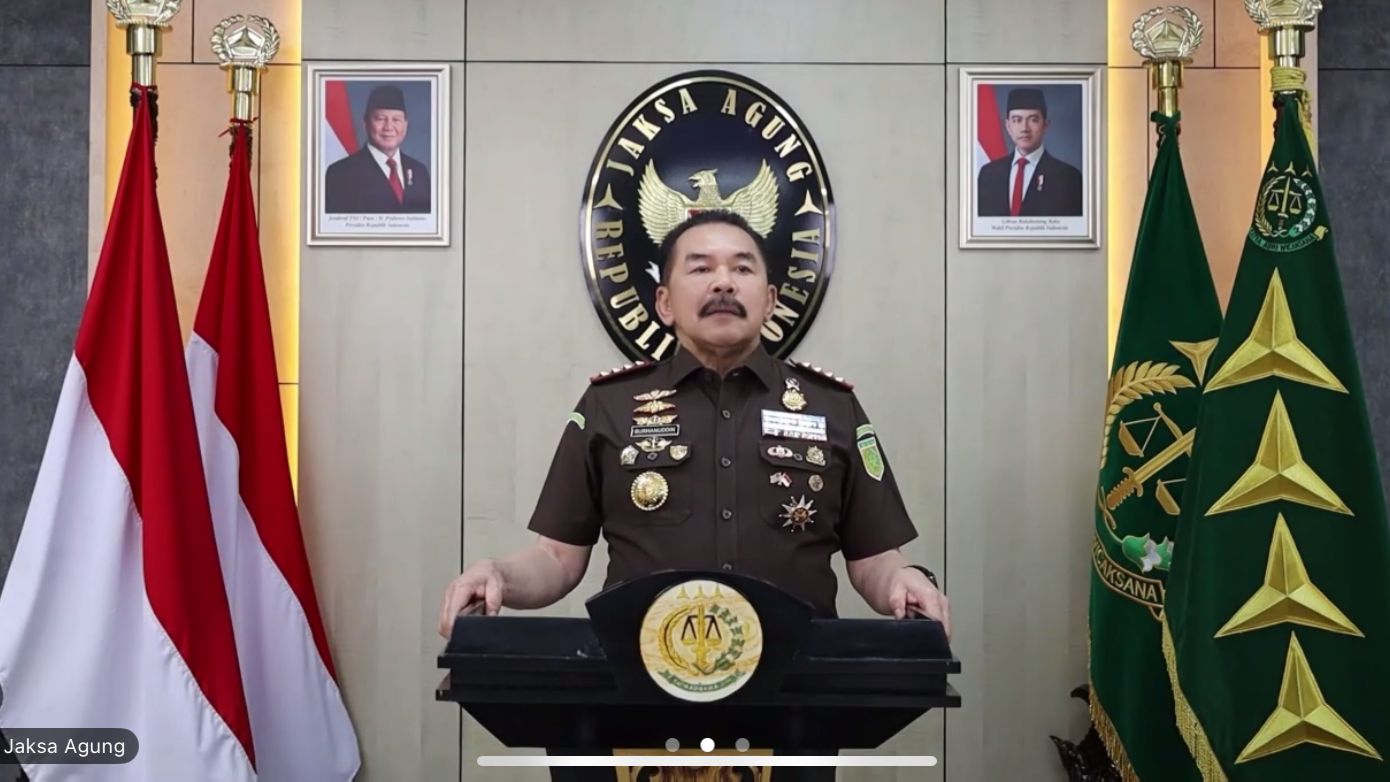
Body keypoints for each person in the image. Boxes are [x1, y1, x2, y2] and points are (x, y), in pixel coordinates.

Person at [439, 210, 949, 781]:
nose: (723, 282)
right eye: (701, 268)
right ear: (664, 302)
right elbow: (557, 558)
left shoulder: (832, 407)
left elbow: (875, 559)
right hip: (633, 700)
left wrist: (905, 582)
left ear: (770, 299)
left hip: (793, 702)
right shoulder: (609, 406)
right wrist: (499, 576)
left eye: (742, 269)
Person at [324, 84, 432, 214]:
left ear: (405, 125)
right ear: (365, 123)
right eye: (380, 119)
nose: (389, 127)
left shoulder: (419, 172)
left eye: (396, 120)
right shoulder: (340, 174)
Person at [977, 87, 1083, 217]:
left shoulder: (1068, 178)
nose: (1024, 128)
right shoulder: (988, 174)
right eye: (1017, 120)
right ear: (1008, 126)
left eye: (1033, 120)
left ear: (1045, 125)